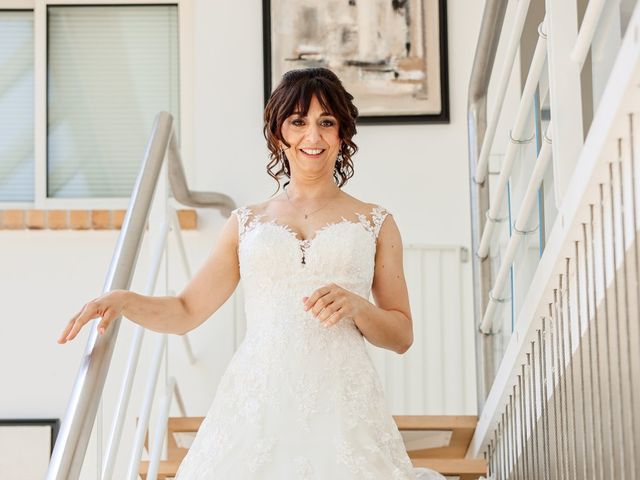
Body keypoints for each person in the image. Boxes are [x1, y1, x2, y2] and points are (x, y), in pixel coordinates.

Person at [58, 67, 445, 479]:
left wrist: (357, 307)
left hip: (342, 403)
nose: (312, 137)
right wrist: (122, 300)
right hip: (258, 397)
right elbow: (187, 309)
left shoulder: (376, 221)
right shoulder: (246, 223)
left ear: (342, 135)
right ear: (279, 134)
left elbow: (402, 335)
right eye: (298, 122)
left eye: (326, 123)